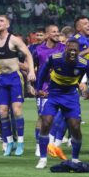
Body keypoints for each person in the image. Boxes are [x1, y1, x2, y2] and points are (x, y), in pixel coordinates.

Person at [0, 15, 36, 157]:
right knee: (3, 112)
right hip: (2, 79)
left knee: (16, 111)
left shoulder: (14, 40)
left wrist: (31, 71)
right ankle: (9, 142)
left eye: (2, 20)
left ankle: (20, 143)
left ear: (8, 25)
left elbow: (28, 54)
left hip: (15, 78)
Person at [35, 39, 89, 169]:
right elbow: (42, 71)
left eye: (75, 50)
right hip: (54, 95)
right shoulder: (54, 58)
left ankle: (75, 159)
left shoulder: (84, 63)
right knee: (46, 122)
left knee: (75, 126)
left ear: (79, 51)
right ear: (65, 49)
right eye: (70, 49)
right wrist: (39, 88)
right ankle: (42, 158)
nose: (73, 52)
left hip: (71, 96)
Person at [32, 25, 66, 158]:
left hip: (59, 88)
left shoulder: (63, 48)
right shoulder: (38, 50)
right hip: (44, 89)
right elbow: (31, 67)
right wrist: (33, 86)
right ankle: (39, 145)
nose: (57, 34)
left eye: (58, 31)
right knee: (43, 118)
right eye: (54, 32)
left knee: (59, 116)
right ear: (46, 35)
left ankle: (52, 144)